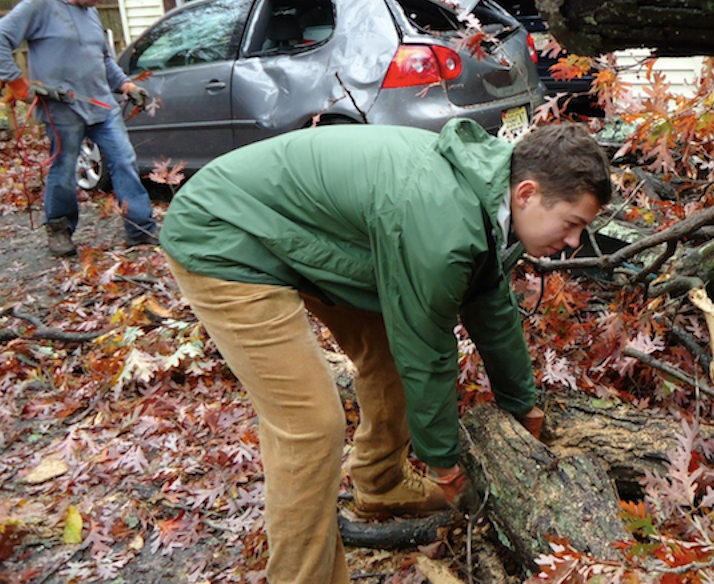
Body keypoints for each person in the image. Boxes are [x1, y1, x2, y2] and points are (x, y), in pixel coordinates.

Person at [160, 118, 612, 584]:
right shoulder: (443, 224)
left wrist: (523, 405)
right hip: (222, 236)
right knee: (310, 425)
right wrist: (445, 464)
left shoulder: (483, 192)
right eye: (572, 223)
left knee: (386, 355)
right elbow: (427, 348)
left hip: (296, 232)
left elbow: (491, 304)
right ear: (527, 194)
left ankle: (380, 483)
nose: (575, 242)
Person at [0, 0, 158, 256]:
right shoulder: (40, 5)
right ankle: (60, 229)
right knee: (64, 168)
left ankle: (140, 229)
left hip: (101, 105)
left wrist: (125, 84)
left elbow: (102, 59)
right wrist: (19, 85)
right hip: (63, 109)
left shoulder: (91, 12)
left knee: (124, 160)